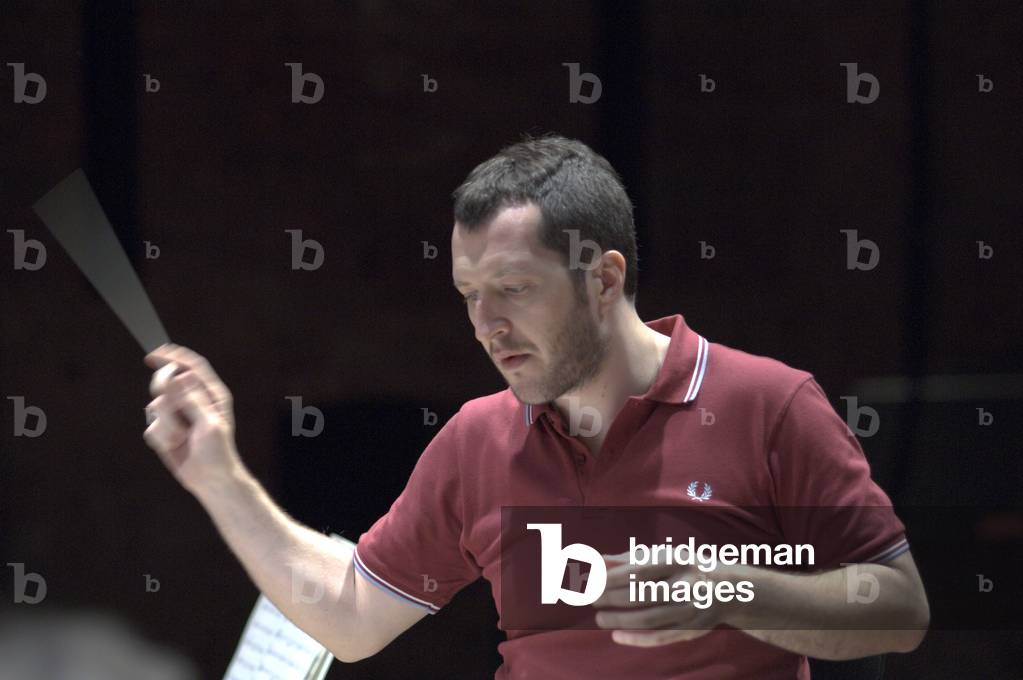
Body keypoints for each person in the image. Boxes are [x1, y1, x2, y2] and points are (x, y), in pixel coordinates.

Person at [143, 134, 929, 679]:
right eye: (468, 295)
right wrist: (219, 477)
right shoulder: (477, 441)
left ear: (603, 277)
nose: (486, 326)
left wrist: (730, 592)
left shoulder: (767, 404)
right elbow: (351, 617)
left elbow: (898, 608)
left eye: (514, 290)